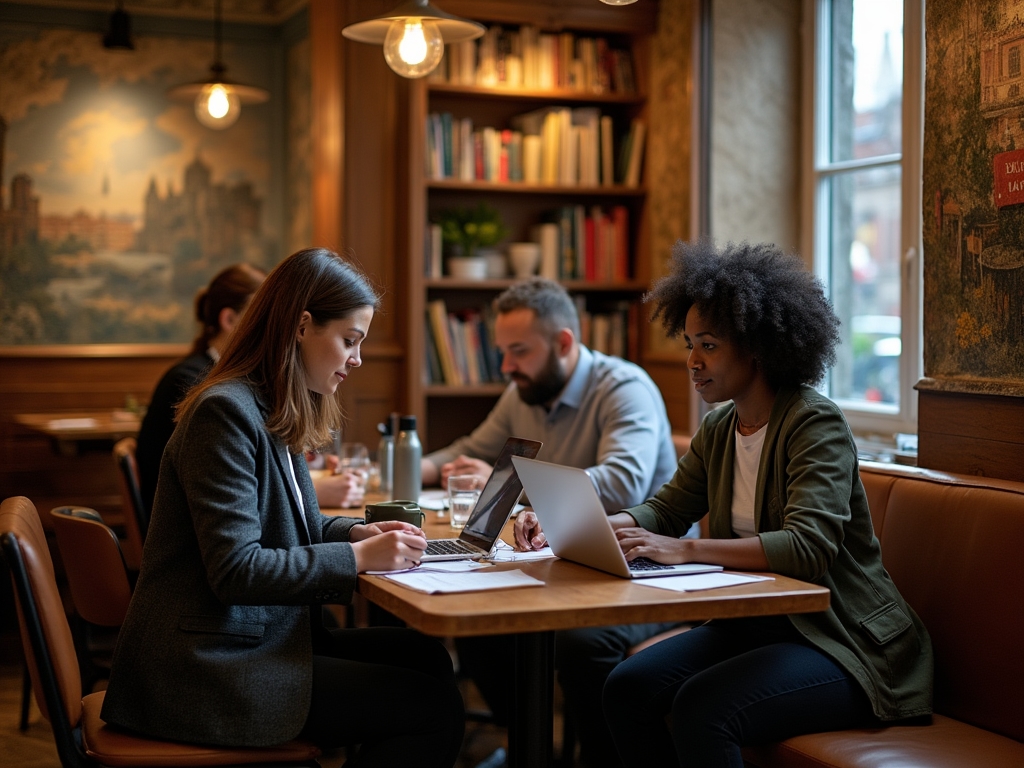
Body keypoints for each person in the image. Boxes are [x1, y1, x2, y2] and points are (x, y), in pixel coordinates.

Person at [102, 248, 465, 766]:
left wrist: (354, 535)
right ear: (301, 326)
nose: (357, 359)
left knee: (427, 657)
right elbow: (237, 569)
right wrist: (359, 560)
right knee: (432, 707)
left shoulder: (273, 405)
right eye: (349, 340)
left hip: (251, 637)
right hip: (207, 665)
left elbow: (299, 523)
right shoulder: (224, 412)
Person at [595, 240, 933, 767]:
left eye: (707, 345)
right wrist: (596, 526)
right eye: (688, 343)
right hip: (759, 623)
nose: (692, 361)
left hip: (844, 642)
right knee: (626, 685)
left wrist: (683, 552)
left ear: (755, 346)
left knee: (703, 708)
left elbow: (808, 549)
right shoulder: (720, 427)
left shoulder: (813, 422)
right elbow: (665, 511)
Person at [421, 277, 687, 768]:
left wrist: (511, 486)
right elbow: (471, 449)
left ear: (563, 342)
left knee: (579, 640)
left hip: (649, 570)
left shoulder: (623, 387)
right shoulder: (524, 390)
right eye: (503, 352)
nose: (506, 366)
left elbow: (623, 482)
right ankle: (531, 746)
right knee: (477, 619)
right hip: (573, 562)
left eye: (518, 351)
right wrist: (407, 467)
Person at [136, 263, 365, 519]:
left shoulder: (266, 394)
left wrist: (356, 532)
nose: (270, 322)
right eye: (260, 313)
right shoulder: (217, 400)